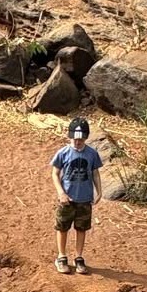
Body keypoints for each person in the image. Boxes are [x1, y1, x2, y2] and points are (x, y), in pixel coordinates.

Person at [49, 115, 103, 276]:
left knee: (81, 228)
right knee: (62, 227)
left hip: (84, 198)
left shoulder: (92, 154)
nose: (78, 142)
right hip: (67, 199)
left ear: (86, 138)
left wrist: (99, 191)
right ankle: (61, 256)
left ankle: (79, 257)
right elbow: (55, 173)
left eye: (81, 139)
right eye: (75, 139)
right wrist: (61, 192)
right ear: (70, 137)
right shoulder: (63, 153)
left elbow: (95, 173)